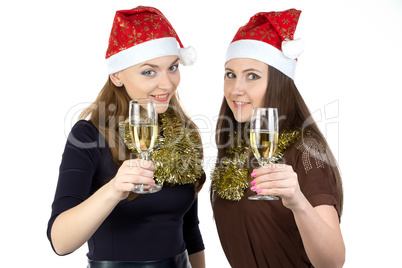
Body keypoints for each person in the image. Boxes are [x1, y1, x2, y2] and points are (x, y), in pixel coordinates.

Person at [47, 6, 206, 268]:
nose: (167, 84)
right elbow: (60, 242)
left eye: (173, 67)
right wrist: (114, 189)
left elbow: (190, 230)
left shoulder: (184, 131)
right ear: (116, 75)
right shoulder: (89, 135)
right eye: (149, 71)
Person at [211, 9, 345, 267]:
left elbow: (333, 261)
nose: (236, 88)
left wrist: (298, 202)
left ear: (279, 81)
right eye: (231, 74)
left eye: (252, 76)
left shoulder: (306, 150)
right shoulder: (235, 146)